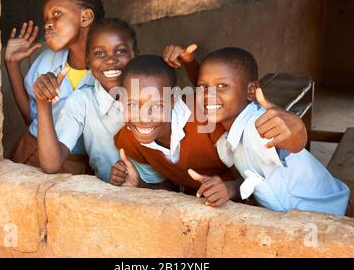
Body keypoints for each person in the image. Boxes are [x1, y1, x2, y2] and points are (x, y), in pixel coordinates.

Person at [112, 54, 307, 205]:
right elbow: (167, 190)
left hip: (249, 206)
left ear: (173, 100)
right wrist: (140, 185)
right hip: (199, 208)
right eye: (133, 105)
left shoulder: (208, 124)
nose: (143, 117)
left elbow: (258, 173)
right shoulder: (128, 140)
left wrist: (229, 189)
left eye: (155, 106)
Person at [194, 47, 350, 215]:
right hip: (296, 222)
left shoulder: (258, 125)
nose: (208, 94)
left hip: (336, 216)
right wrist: (231, 188)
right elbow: (256, 175)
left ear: (251, 91)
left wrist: (298, 131)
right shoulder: (226, 142)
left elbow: (292, 144)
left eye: (222, 85)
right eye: (202, 86)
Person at [34, 18, 173, 188]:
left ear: (135, 54)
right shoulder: (82, 101)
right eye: (99, 53)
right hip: (106, 201)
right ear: (87, 60)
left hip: (160, 196)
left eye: (120, 51)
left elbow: (171, 182)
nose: (110, 60)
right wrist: (42, 103)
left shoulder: (153, 94)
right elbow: (51, 164)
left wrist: (139, 184)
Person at [5, 0, 104, 174]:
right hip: (30, 151)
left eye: (56, 14)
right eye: (46, 19)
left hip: (81, 166)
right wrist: (11, 65)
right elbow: (31, 117)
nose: (48, 24)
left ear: (85, 17)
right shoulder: (47, 60)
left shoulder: (108, 70)